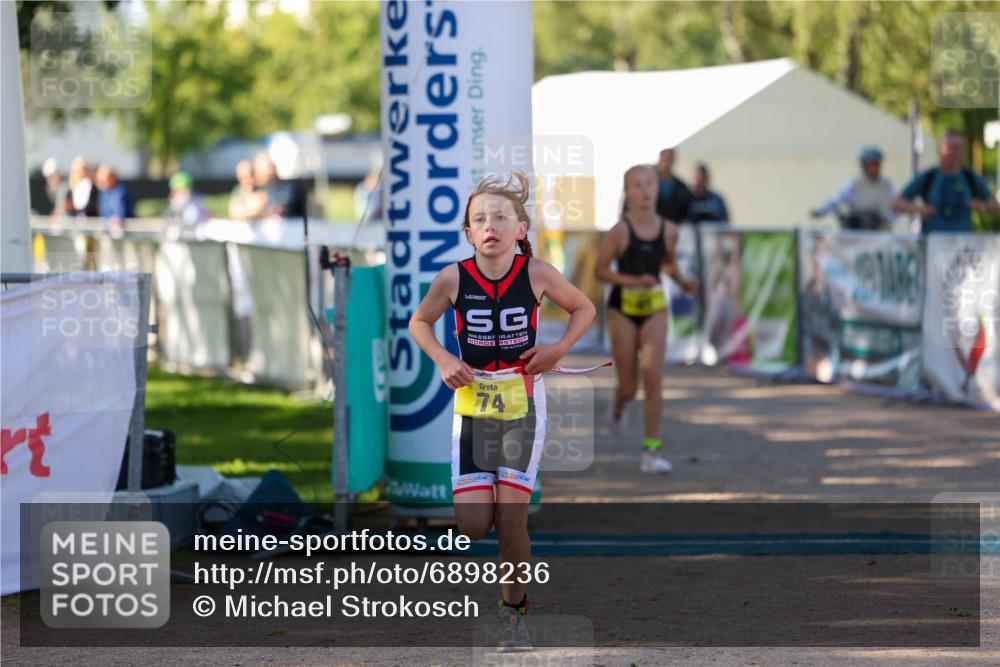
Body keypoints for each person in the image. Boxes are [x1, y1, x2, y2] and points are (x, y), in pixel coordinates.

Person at [409, 172, 595, 652]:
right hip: (473, 405)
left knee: (512, 523)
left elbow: (585, 308)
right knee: (473, 526)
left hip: (522, 403)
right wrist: (445, 359)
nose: (489, 225)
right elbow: (420, 321)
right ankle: (494, 527)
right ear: (468, 234)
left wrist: (558, 349)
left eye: (500, 217)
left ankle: (513, 614)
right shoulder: (453, 277)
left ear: (521, 228)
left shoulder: (538, 274)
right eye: (479, 219)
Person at [596, 164, 699, 474]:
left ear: (657, 189)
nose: (644, 190)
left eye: (650, 184)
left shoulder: (670, 230)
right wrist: (631, 281)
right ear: (627, 193)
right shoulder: (620, 231)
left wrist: (682, 281)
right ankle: (619, 404)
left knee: (653, 375)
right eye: (637, 185)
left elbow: (666, 262)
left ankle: (651, 452)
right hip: (623, 308)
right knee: (629, 386)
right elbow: (600, 271)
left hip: (655, 307)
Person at [893, 129, 998, 234]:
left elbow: (995, 205)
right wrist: (919, 209)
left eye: (957, 148)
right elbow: (896, 204)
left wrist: (983, 206)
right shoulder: (928, 177)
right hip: (933, 244)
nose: (952, 152)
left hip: (964, 244)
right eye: (948, 147)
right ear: (939, 149)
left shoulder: (970, 177)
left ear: (963, 151)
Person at [811, 146, 895, 231]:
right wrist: (821, 211)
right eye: (869, 164)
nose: (873, 168)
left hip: (881, 233)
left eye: (875, 164)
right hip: (857, 232)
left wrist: (885, 219)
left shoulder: (887, 185)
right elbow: (836, 200)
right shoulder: (854, 183)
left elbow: (895, 209)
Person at [254, 151, 305, 218]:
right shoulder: (259, 188)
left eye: (271, 167)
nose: (270, 171)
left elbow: (281, 209)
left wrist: (261, 212)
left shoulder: (288, 186)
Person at [655, 148, 692, 223]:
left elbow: (685, 209)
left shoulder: (681, 186)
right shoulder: (648, 183)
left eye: (670, 159)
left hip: (674, 226)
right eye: (665, 159)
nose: (667, 163)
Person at [95, 164, 134, 228]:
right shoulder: (103, 193)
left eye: (104, 180)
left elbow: (119, 214)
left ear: (113, 178)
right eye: (100, 181)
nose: (101, 183)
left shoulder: (120, 192)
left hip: (124, 229)